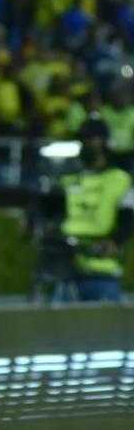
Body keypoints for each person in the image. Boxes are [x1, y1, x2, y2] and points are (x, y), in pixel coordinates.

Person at [54, 118, 134, 302]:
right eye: (83, 139)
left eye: (90, 138)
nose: (85, 143)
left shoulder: (120, 179)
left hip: (103, 270)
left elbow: (129, 218)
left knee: (105, 329)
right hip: (67, 270)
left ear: (103, 141)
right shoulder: (67, 179)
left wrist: (115, 241)